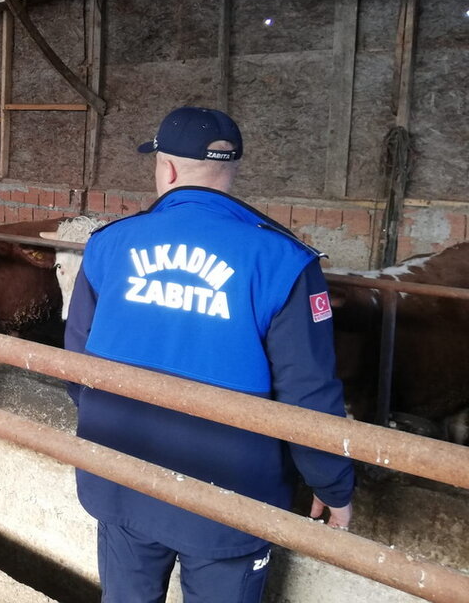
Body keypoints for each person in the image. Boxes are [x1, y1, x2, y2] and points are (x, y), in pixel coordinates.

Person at [65, 106, 354, 603]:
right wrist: (332, 485)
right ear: (233, 169)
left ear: (167, 169)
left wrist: (108, 417)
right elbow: (308, 392)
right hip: (229, 497)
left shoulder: (110, 244)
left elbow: (76, 364)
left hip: (120, 473)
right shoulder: (284, 260)